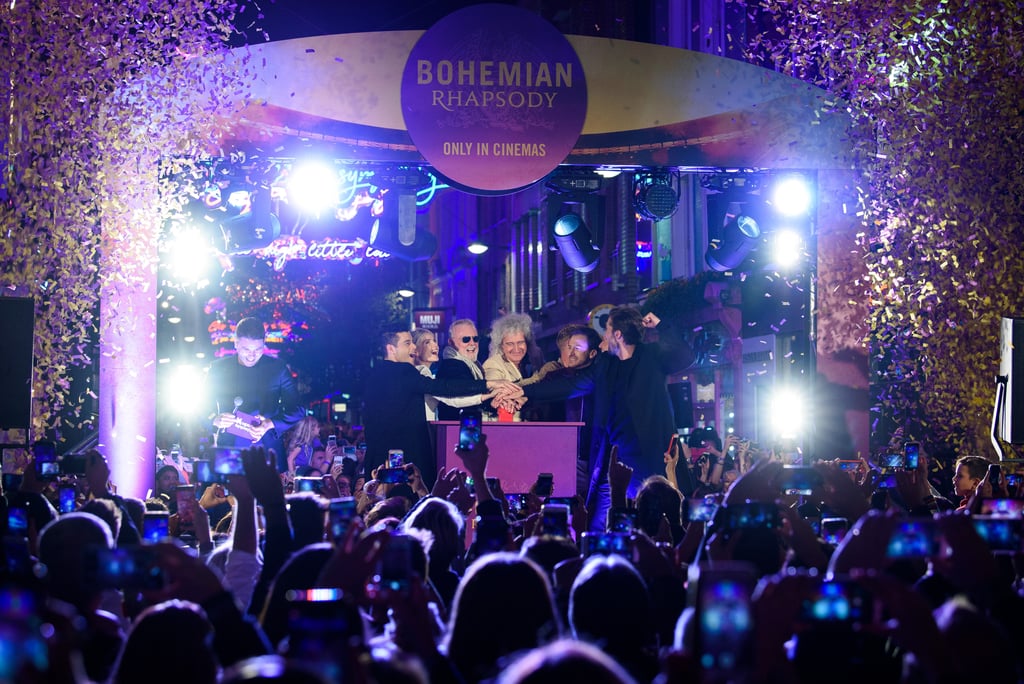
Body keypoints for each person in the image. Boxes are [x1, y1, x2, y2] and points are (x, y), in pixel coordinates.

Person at [522, 307, 696, 530]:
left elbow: (685, 356)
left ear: (618, 335)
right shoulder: (605, 365)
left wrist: (662, 326)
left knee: (654, 527)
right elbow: (569, 386)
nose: (603, 337)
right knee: (600, 529)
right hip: (611, 465)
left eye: (607, 331)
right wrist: (525, 393)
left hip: (650, 463)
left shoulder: (653, 356)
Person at [362, 329, 521, 483]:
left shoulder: (373, 374)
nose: (413, 347)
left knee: (384, 504)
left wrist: (487, 392)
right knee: (408, 502)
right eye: (407, 343)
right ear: (391, 349)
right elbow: (444, 389)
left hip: (380, 458)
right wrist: (488, 384)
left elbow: (449, 396)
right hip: (403, 459)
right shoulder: (404, 371)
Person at [207, 317, 305, 471]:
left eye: (258, 349)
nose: (252, 355)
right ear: (236, 343)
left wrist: (270, 423)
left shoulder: (277, 368)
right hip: (229, 452)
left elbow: (298, 409)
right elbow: (199, 407)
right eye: (246, 349)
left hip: (268, 452)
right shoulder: (218, 368)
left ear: (264, 344)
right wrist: (214, 419)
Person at [413, 328, 492, 421]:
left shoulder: (429, 373)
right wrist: (488, 390)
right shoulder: (419, 373)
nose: (435, 345)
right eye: (427, 342)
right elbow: (452, 400)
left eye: (434, 341)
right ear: (415, 350)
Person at [483, 312, 541, 421]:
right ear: (500, 346)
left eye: (520, 342)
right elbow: (494, 386)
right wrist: (504, 398)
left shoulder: (532, 366)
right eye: (510, 344)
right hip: (504, 430)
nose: (516, 348)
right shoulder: (493, 364)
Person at [435, 318, 490, 421]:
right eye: (466, 339)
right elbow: (465, 390)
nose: (472, 343)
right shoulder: (451, 365)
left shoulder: (474, 364)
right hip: (456, 429)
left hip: (469, 426)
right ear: (451, 342)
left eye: (475, 339)